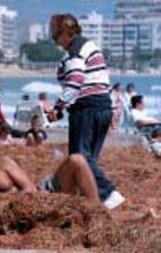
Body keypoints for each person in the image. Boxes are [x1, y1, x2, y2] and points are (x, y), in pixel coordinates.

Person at [48, 14, 124, 209]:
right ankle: (91, 199)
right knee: (90, 159)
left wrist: (58, 107)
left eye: (56, 36)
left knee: (79, 157)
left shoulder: (75, 51)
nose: (55, 41)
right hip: (102, 106)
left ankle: (108, 194)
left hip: (86, 109)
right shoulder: (91, 46)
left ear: (65, 33)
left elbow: (75, 80)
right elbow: (99, 79)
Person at [0, 143, 100, 205]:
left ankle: (96, 210)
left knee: (77, 160)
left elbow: (30, 188)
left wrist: (11, 200)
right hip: (5, 221)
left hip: (37, 199)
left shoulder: (3, 164)